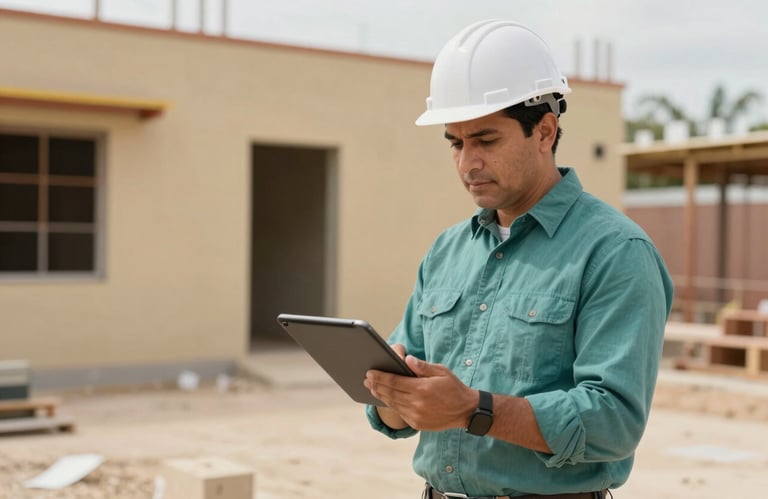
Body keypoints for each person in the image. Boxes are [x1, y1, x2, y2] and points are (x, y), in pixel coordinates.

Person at [363, 19, 674, 499]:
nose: (468, 162)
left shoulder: (615, 252)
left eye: (486, 141)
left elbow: (613, 422)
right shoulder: (448, 251)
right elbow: (394, 415)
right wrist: (396, 397)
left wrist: (471, 409)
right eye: (456, 143)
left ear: (545, 131)